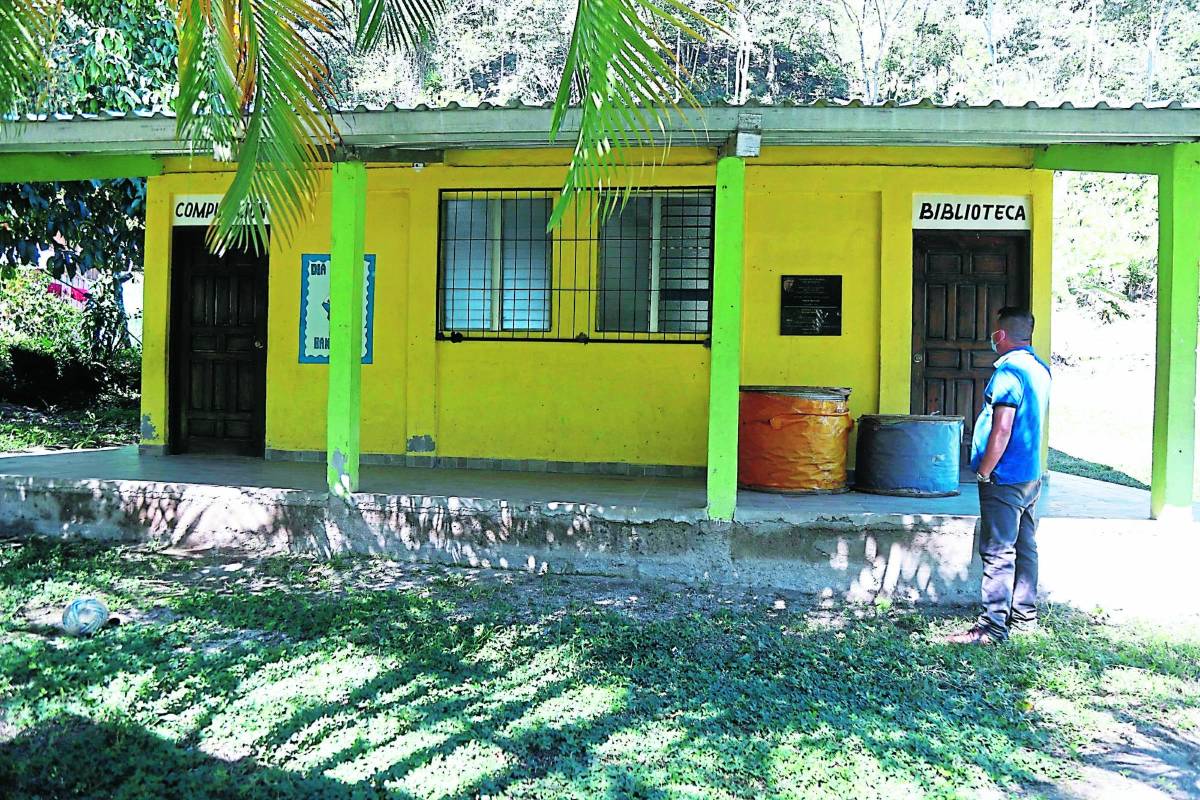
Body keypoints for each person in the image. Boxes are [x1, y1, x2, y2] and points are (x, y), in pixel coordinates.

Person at [944, 307, 1052, 645]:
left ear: (1001, 335)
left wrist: (984, 470)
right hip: (1029, 475)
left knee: (998, 550)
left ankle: (991, 628)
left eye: (994, 332)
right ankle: (1024, 616)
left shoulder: (1008, 372)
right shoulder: (1040, 368)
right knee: (1025, 545)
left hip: (1004, 477)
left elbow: (1002, 428)